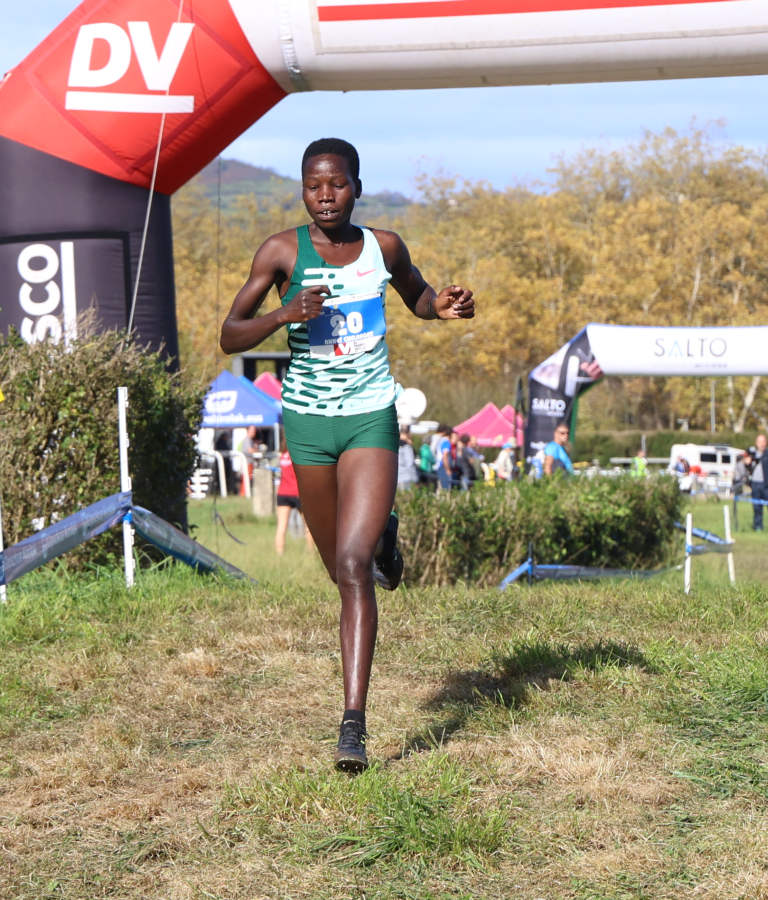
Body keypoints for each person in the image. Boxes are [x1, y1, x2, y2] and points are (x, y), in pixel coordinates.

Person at [218, 137, 475, 773]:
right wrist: (283, 315)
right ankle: (383, 536)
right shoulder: (281, 251)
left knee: (355, 568)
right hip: (307, 424)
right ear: (302, 190)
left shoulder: (384, 247)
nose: (324, 195)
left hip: (368, 418)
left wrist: (439, 306)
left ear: (356, 186)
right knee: (339, 569)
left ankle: (353, 723)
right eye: (313, 185)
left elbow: (417, 296)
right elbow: (229, 336)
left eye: (336, 183)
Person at [273, 431, 314, 555]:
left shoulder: (282, 455)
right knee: (309, 527)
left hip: (283, 493)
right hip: (298, 493)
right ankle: (311, 554)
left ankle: (279, 554)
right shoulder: (298, 454)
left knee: (281, 526)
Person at [432, 424, 455, 492]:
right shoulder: (446, 442)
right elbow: (445, 457)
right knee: (446, 490)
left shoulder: (441, 441)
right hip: (443, 467)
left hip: (440, 467)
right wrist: (448, 469)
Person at [396, 425, 418, 491]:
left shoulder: (394, 444)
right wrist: (415, 479)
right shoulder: (406, 446)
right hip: (407, 477)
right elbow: (410, 463)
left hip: (397, 478)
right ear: (408, 433)